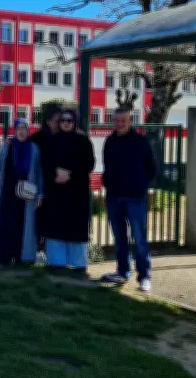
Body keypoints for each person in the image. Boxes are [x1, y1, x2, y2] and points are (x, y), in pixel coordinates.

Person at [100, 108, 157, 292]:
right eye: (116, 120)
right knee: (119, 237)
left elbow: (152, 168)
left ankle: (144, 276)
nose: (119, 123)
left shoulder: (140, 142)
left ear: (130, 121)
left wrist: (140, 186)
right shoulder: (109, 142)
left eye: (123, 120)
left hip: (135, 198)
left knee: (139, 238)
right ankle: (122, 271)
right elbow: (107, 167)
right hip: (114, 197)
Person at [43, 109, 95, 277]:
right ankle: (57, 261)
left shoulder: (83, 140)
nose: (66, 123)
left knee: (76, 228)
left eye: (70, 120)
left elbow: (89, 164)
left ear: (75, 122)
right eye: (63, 120)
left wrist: (70, 174)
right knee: (56, 227)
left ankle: (79, 263)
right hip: (56, 193)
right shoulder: (51, 140)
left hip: (77, 193)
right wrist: (56, 172)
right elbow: (45, 163)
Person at [0, 119, 43, 264]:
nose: (21, 131)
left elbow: (40, 173)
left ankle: (23, 257)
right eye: (18, 128)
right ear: (14, 131)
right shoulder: (7, 147)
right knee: (7, 225)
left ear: (28, 131)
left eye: (24, 128)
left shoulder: (34, 149)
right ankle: (5, 257)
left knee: (24, 226)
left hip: (27, 195)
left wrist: (40, 194)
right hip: (8, 194)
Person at [30, 103, 63, 254]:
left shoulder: (65, 137)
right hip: (41, 186)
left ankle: (52, 250)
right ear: (49, 121)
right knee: (39, 217)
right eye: (58, 120)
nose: (61, 124)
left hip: (59, 186)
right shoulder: (37, 138)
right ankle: (37, 248)